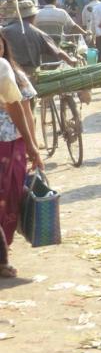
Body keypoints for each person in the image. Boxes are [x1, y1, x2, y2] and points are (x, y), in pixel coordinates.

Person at [0, 31, 43, 278]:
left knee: (9, 198)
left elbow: (24, 111)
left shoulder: (13, 74)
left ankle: (3, 253)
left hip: (10, 142)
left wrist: (32, 146)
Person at [1, 0, 77, 76]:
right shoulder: (38, 33)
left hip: (8, 72)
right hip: (30, 73)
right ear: (33, 16)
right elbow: (57, 51)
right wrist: (70, 60)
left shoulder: (4, 31)